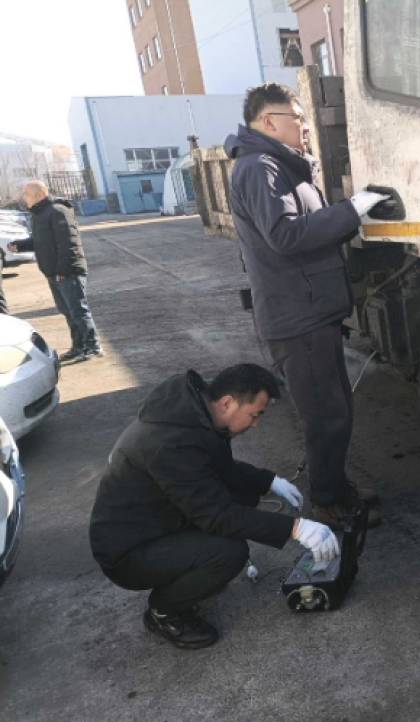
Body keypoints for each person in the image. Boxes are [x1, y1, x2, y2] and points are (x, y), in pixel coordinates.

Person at [224, 83, 387, 531]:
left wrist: (352, 213)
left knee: (335, 412)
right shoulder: (259, 168)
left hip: (311, 312)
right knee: (325, 417)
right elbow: (287, 235)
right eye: (296, 117)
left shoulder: (281, 166)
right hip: (297, 319)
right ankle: (328, 503)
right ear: (268, 121)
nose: (304, 125)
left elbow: (310, 227)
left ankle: (336, 490)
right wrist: (352, 210)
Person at [90, 364, 341, 650]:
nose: (256, 424)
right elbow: (217, 516)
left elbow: (217, 466)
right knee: (228, 552)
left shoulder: (195, 415)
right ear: (227, 403)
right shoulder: (170, 443)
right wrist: (296, 528)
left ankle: (188, 576)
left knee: (238, 499)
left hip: (156, 523)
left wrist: (269, 481)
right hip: (128, 553)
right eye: (255, 415)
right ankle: (163, 612)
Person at [8, 181, 102, 362]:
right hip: (54, 273)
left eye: (26, 194)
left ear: (38, 195)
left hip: (67, 272)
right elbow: (39, 241)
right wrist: (19, 246)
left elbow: (68, 244)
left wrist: (62, 271)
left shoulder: (58, 211)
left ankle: (92, 346)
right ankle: (79, 346)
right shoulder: (40, 214)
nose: (24, 197)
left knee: (78, 311)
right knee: (68, 311)